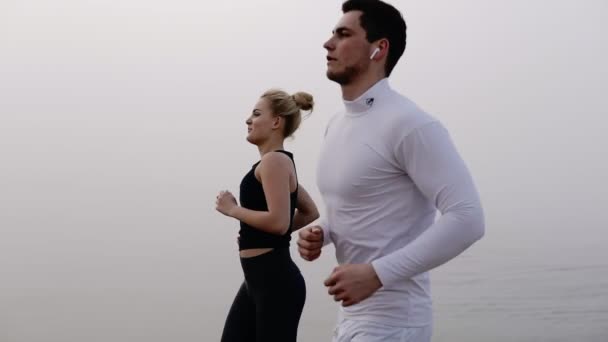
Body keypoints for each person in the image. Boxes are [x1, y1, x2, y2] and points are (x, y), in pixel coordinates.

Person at [297, 0, 485, 341]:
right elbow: (358, 205)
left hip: (396, 323)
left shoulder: (411, 124)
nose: (328, 43)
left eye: (343, 34)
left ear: (378, 49)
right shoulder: (337, 124)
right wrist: (323, 232)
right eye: (332, 34)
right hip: (351, 317)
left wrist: (377, 274)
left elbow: (468, 218)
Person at [215, 88, 320, 342]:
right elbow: (309, 212)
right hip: (257, 281)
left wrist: (233, 210)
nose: (248, 120)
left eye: (256, 113)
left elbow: (279, 222)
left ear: (276, 122)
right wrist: (254, 233)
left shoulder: (274, 162)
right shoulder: (276, 163)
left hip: (275, 281)